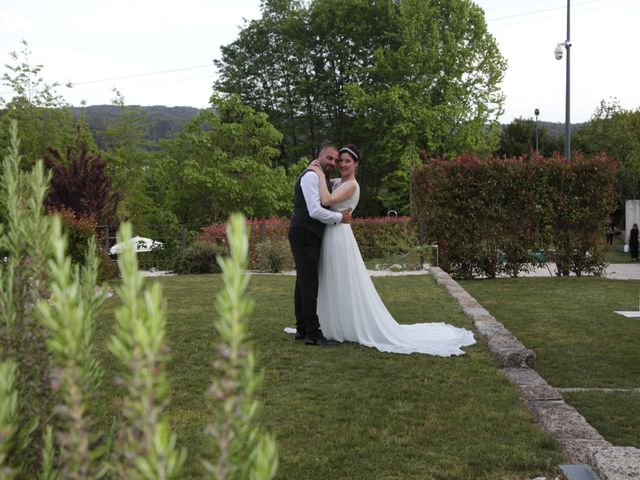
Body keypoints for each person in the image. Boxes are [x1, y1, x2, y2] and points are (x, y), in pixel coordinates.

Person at [308, 145, 475, 356]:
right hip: (331, 233)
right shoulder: (337, 182)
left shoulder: (351, 185)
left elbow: (326, 200)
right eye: (340, 161)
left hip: (340, 236)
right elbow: (324, 191)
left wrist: (316, 172)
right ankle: (332, 323)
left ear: (356, 164)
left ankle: (348, 325)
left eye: (347, 161)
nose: (342, 164)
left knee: (343, 278)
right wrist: (318, 173)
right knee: (332, 279)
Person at [288, 144, 352, 347]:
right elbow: (315, 210)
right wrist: (339, 217)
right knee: (309, 282)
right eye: (329, 158)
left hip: (309, 234)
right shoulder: (311, 177)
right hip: (304, 233)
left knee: (303, 281)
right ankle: (313, 334)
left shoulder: (321, 177)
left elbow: (338, 185)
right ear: (319, 157)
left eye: (335, 160)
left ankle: (302, 328)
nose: (333, 163)